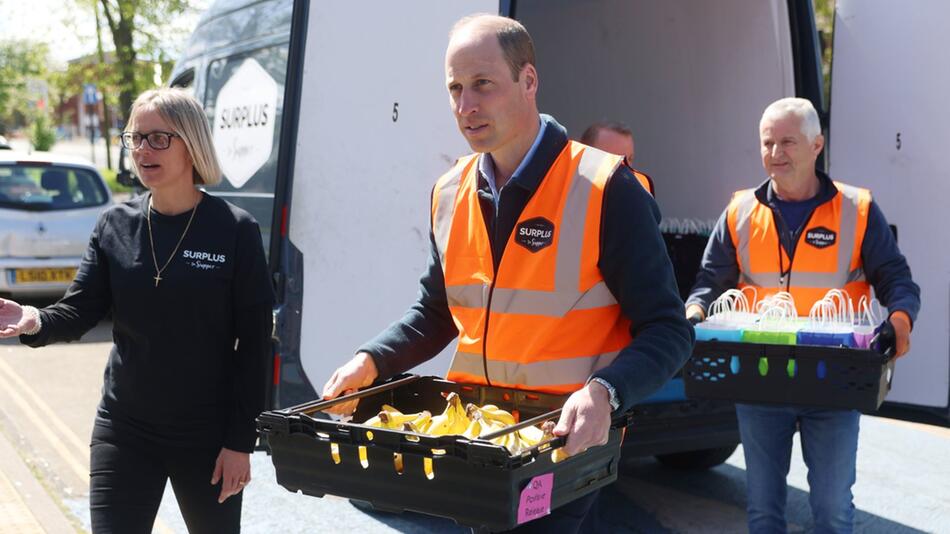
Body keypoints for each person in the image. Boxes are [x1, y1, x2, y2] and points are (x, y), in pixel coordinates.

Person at [321, 14, 693, 533]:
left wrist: (606, 391)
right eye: (455, 88)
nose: (465, 106)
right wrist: (371, 359)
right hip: (476, 447)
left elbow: (669, 330)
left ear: (529, 81)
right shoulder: (449, 191)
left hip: (562, 449)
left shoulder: (607, 187)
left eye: (482, 85)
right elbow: (436, 312)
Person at [0, 88, 274, 534]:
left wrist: (240, 442)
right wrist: (35, 321)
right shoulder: (115, 224)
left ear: (192, 143)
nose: (143, 150)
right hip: (124, 428)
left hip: (205, 435)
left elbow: (256, 344)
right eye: (135, 138)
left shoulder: (235, 230)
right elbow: (80, 309)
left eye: (158, 139)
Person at [686, 97, 920, 534]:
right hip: (758, 376)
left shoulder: (857, 209)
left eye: (787, 142)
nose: (776, 154)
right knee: (763, 511)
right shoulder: (739, 212)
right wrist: (694, 312)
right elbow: (709, 281)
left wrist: (901, 320)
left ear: (817, 145)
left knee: (832, 510)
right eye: (767, 143)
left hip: (833, 379)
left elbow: (896, 279)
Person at [580, 121, 654, 196]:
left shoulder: (637, 200)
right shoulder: (571, 198)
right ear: (586, 157)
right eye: (615, 160)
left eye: (630, 159)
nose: (627, 169)